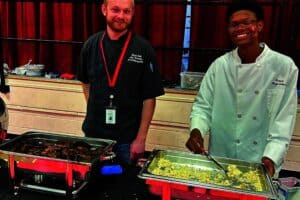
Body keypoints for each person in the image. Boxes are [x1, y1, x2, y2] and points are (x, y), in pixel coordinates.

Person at [185, 0, 298, 177]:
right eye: (234, 24)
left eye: (247, 22)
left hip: (261, 160)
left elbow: (284, 119)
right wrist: (197, 131)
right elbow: (202, 107)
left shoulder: (283, 67)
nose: (240, 28)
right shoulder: (219, 66)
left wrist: (272, 157)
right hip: (221, 158)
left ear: (259, 25)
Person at [77, 0, 164, 165]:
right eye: (115, 10)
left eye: (126, 11)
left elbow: (149, 99)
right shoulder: (91, 45)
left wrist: (140, 139)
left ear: (133, 13)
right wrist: (94, 105)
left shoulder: (143, 49)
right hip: (94, 135)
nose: (121, 16)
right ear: (104, 9)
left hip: (127, 140)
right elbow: (86, 83)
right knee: (95, 180)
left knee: (121, 183)